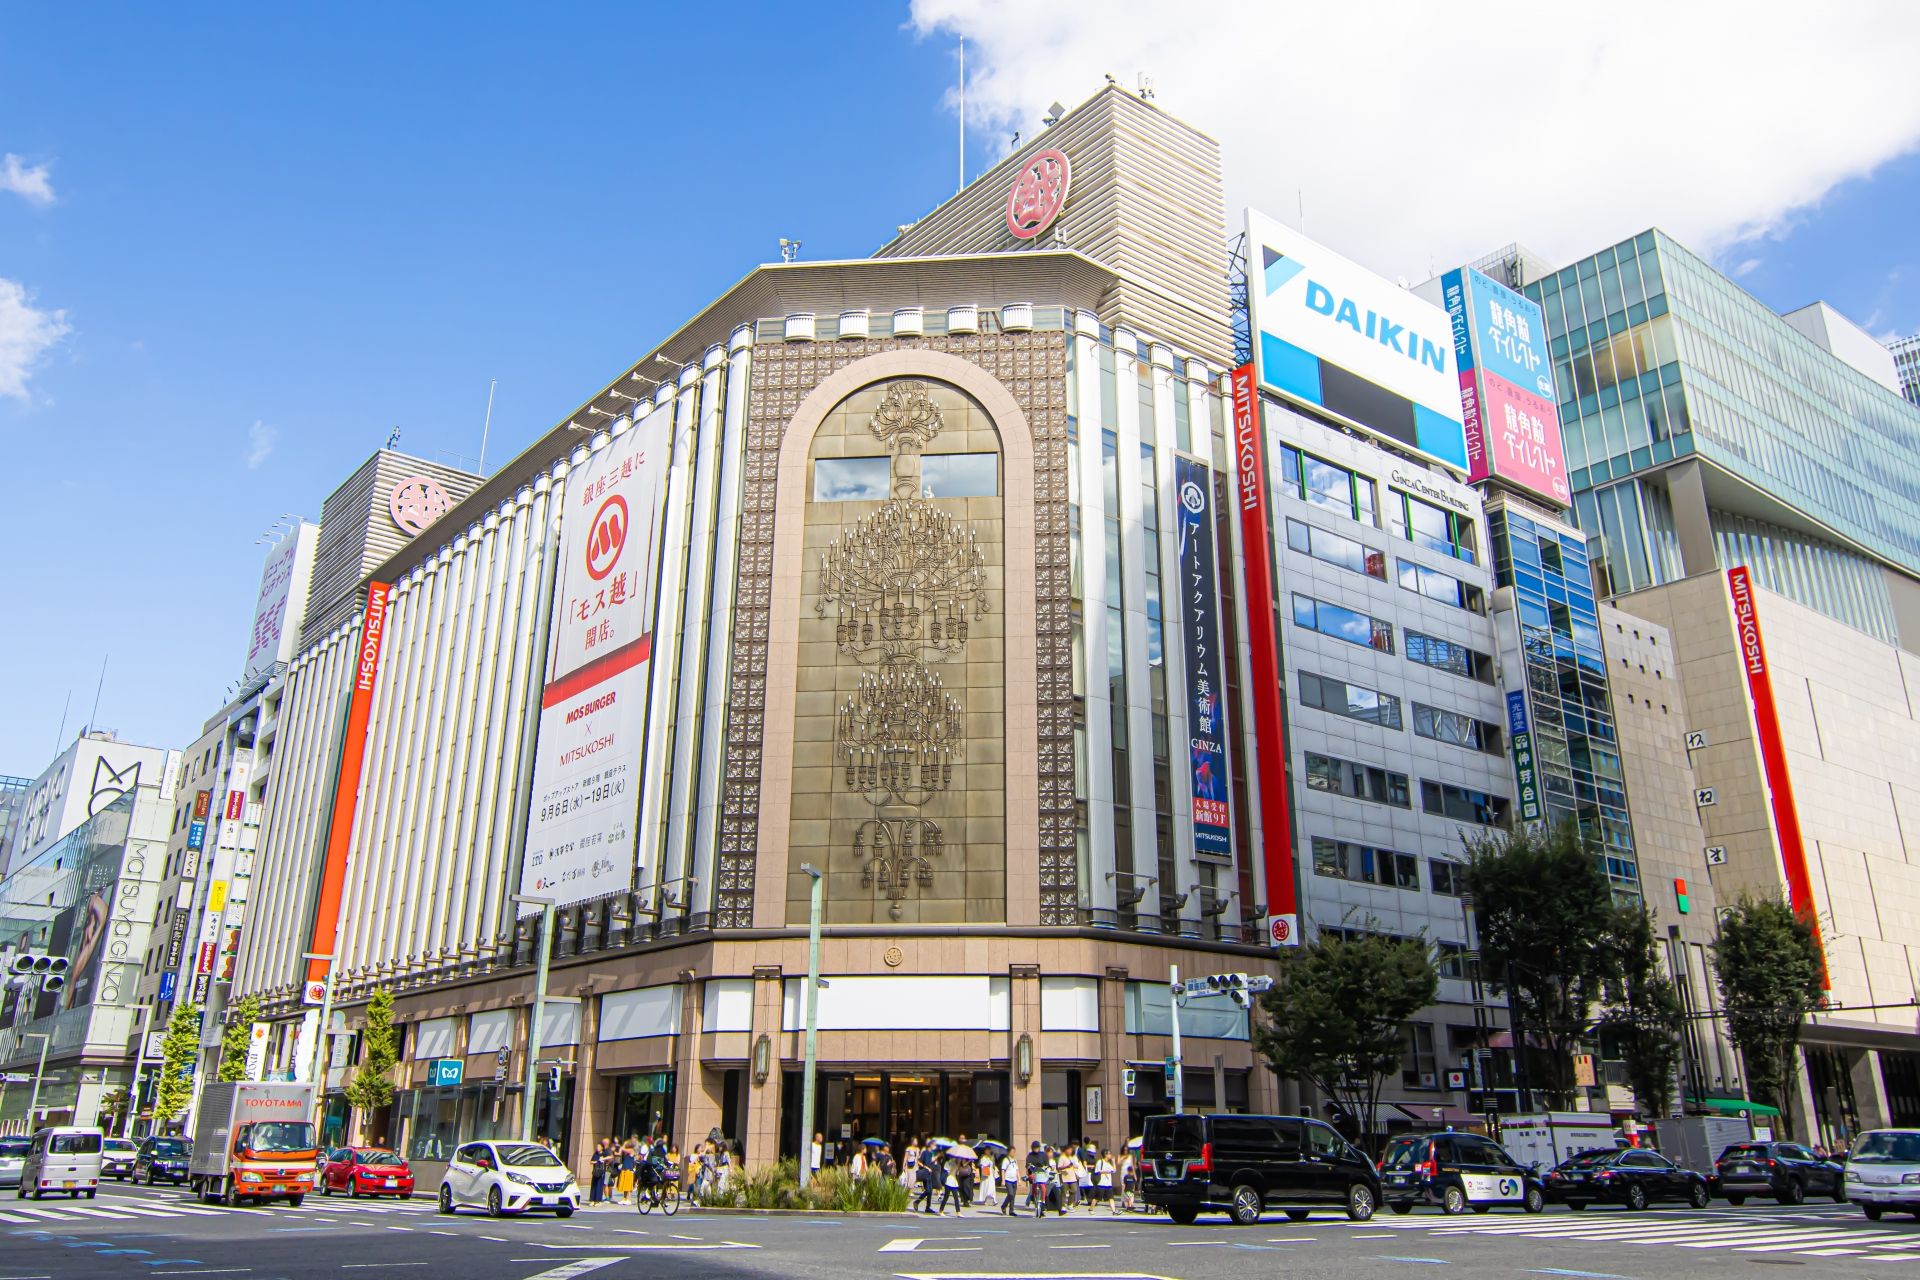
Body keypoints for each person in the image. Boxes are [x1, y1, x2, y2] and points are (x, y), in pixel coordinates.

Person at [1026, 1142, 1051, 1218]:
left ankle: (1043, 1201)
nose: (1036, 1149)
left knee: (1043, 1186)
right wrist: (1029, 1168)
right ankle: (1032, 1197)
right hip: (1033, 1172)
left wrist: (1047, 1167)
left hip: (1042, 1173)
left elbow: (1047, 1164)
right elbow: (1027, 1165)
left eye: (1037, 1147)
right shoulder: (1030, 1155)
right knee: (1033, 1184)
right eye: (1034, 1148)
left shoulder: (1043, 1155)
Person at [1000, 1150, 1022, 1215]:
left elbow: (1017, 1170)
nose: (1013, 1153)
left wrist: (1019, 1179)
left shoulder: (1015, 1160)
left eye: (1014, 1152)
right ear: (1009, 1152)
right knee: (1010, 1194)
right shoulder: (1005, 1160)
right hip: (1008, 1180)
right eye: (1012, 1152)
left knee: (1013, 1196)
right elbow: (1003, 1170)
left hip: (1014, 1180)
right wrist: (1003, 1180)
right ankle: (1004, 1206)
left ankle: (1011, 1210)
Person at [617, 1139, 638, 1205]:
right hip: (624, 1168)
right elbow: (620, 1152)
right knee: (624, 1185)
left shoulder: (631, 1150)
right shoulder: (626, 1151)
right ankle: (624, 1198)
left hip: (629, 1169)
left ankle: (628, 1199)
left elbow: (622, 1149)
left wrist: (623, 1144)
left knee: (628, 1185)